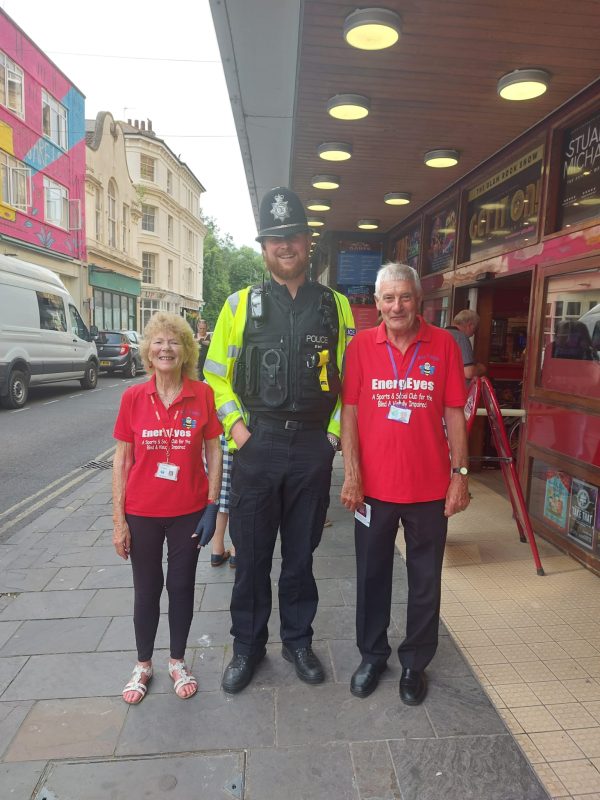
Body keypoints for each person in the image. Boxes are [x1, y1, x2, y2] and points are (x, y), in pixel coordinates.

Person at [205, 186, 355, 694]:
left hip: (312, 448)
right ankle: (247, 648)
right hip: (257, 446)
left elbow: (350, 380)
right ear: (263, 247)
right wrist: (238, 431)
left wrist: (333, 436)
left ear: (307, 242)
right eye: (274, 239)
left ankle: (297, 641)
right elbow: (215, 376)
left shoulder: (336, 306)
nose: (284, 246)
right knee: (250, 555)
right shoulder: (238, 305)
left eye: (292, 236)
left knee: (301, 555)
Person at [340, 263, 469, 705]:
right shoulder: (360, 347)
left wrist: (460, 475)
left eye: (405, 297)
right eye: (388, 298)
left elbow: (455, 411)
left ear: (419, 300)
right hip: (372, 489)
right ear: (377, 304)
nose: (397, 306)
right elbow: (351, 412)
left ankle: (415, 662)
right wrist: (352, 475)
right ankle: (372, 655)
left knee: (425, 579)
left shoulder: (445, 344)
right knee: (371, 575)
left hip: (429, 489)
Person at [112, 311, 223, 704]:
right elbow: (122, 460)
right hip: (141, 510)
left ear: (186, 350)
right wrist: (118, 520)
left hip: (188, 510)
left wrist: (213, 505)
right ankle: (143, 664)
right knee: (147, 589)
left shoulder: (203, 394)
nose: (165, 348)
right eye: (158, 342)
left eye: (174, 342)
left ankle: (177, 660)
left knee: (180, 585)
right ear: (148, 351)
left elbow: (214, 451)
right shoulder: (133, 398)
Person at [210, 433, 236, 568]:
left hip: (217, 438)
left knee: (220, 495)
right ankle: (236, 551)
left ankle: (216, 550)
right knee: (238, 495)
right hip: (241, 436)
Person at [445, 309, 486, 383]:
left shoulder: (441, 333)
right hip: (455, 388)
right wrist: (481, 368)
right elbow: (468, 372)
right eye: (475, 329)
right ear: (470, 325)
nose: (473, 334)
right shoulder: (461, 337)